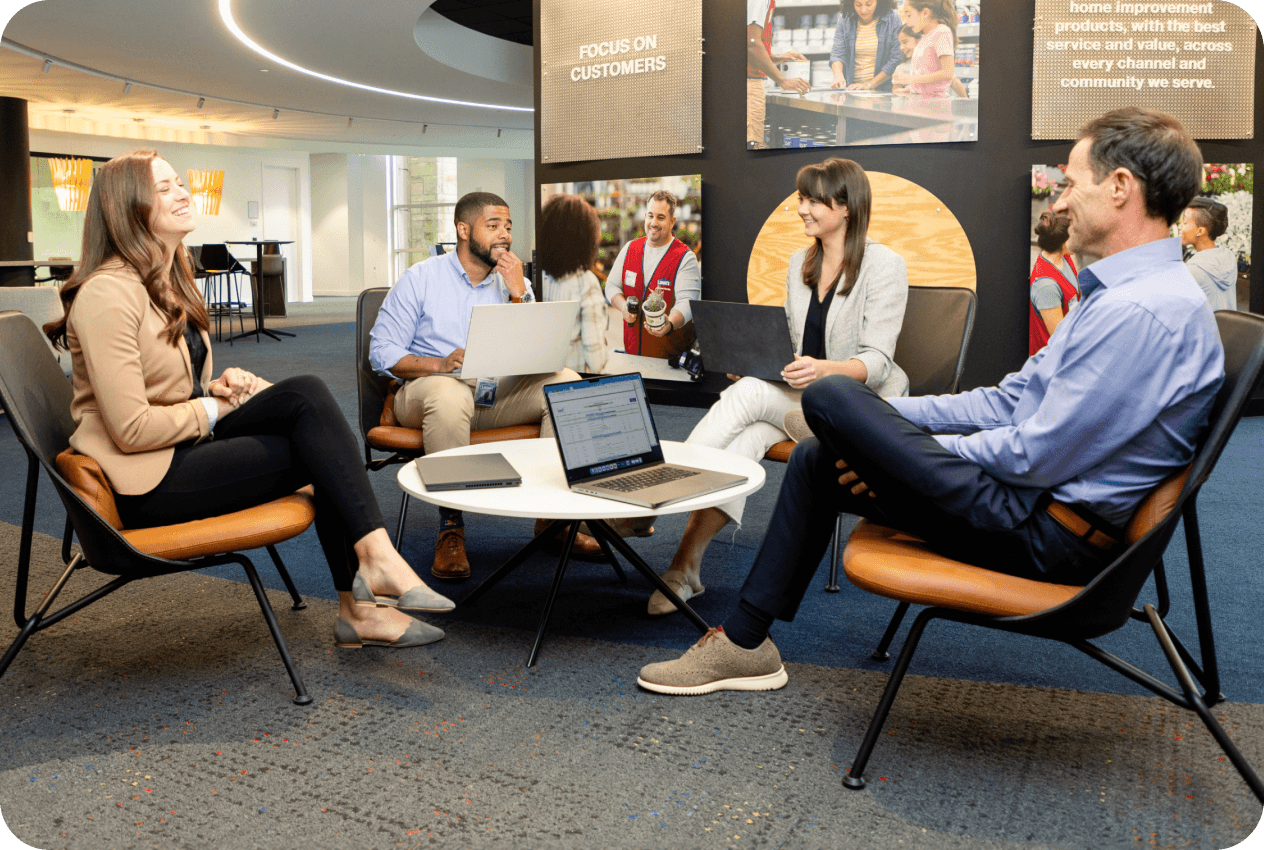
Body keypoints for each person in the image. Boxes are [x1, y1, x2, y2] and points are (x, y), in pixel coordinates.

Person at [637, 107, 1223, 696]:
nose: (1061, 201)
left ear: (1121, 188)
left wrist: (900, 454)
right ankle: (745, 644)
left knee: (834, 397)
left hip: (1045, 533)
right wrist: (890, 439)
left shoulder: (1141, 311)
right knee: (818, 457)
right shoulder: (1121, 297)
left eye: (1072, 182)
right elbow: (1008, 402)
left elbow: (1035, 455)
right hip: (1027, 502)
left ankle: (717, 579)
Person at [45, 150, 454, 650]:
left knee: (306, 396)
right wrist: (216, 408)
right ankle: (366, 595)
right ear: (128, 208)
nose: (184, 193)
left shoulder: (165, 277)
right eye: (167, 187)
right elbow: (130, 429)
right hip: (145, 482)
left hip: (178, 447)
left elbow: (168, 384)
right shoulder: (108, 293)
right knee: (319, 445)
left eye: (181, 183)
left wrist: (213, 389)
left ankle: (371, 577)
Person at [646, 158, 908, 617]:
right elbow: (790, 340)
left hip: (854, 408)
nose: (801, 208)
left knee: (747, 395)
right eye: (801, 198)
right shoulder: (798, 262)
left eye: (811, 199)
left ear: (846, 206)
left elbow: (879, 363)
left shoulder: (885, 265)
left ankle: (649, 498)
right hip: (798, 402)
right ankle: (684, 568)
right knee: (744, 434)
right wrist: (755, 360)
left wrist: (822, 370)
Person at [370, 192, 602, 580]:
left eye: (508, 227)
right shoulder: (421, 277)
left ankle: (555, 522)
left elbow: (534, 355)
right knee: (450, 393)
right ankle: (451, 528)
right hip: (427, 390)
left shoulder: (515, 282)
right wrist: (438, 364)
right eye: (493, 226)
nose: (504, 235)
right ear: (463, 230)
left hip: (493, 394)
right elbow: (382, 352)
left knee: (565, 383)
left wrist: (517, 293)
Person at [604, 191, 701, 360]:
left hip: (669, 361)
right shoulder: (630, 249)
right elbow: (611, 285)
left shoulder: (685, 258)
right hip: (632, 355)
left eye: (661, 217)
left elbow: (687, 302)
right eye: (650, 216)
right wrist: (623, 306)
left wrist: (669, 324)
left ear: (672, 222)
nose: (653, 223)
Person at [538, 194, 609, 374]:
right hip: (571, 381)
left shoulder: (540, 276)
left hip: (541, 377)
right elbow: (595, 359)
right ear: (586, 238)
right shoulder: (585, 283)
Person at [747, 0, 812, 149]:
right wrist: (782, 80)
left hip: (751, 78)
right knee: (752, 145)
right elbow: (751, 43)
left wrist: (780, 58)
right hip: (750, 82)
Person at [1028, 209, 1080, 354]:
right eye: (1073, 236)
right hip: (1053, 360)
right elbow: (1060, 339)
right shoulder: (1046, 286)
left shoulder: (1064, 257)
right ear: (1062, 243)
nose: (1079, 237)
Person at [829, 0, 904, 92]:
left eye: (869, 4)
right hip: (851, 89)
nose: (863, 10)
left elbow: (896, 58)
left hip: (881, 90)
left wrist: (869, 84)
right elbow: (837, 52)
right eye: (858, 5)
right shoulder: (845, 19)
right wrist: (838, 76)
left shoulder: (892, 19)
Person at [1180, 197, 1238, 313]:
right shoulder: (1229, 257)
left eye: (1185, 222)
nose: (1180, 227)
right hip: (1229, 329)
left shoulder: (1192, 271)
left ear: (1200, 231)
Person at [892, 0, 957, 97]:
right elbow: (927, 80)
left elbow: (948, 72)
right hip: (921, 102)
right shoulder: (924, 38)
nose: (906, 21)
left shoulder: (942, 32)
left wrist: (910, 79)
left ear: (925, 13)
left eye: (909, 15)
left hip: (935, 105)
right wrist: (911, 89)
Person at [891, 25, 969, 97]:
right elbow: (896, 94)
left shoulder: (932, 63)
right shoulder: (901, 69)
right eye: (900, 43)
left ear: (919, 39)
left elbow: (953, 80)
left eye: (905, 42)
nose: (901, 47)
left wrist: (965, 101)